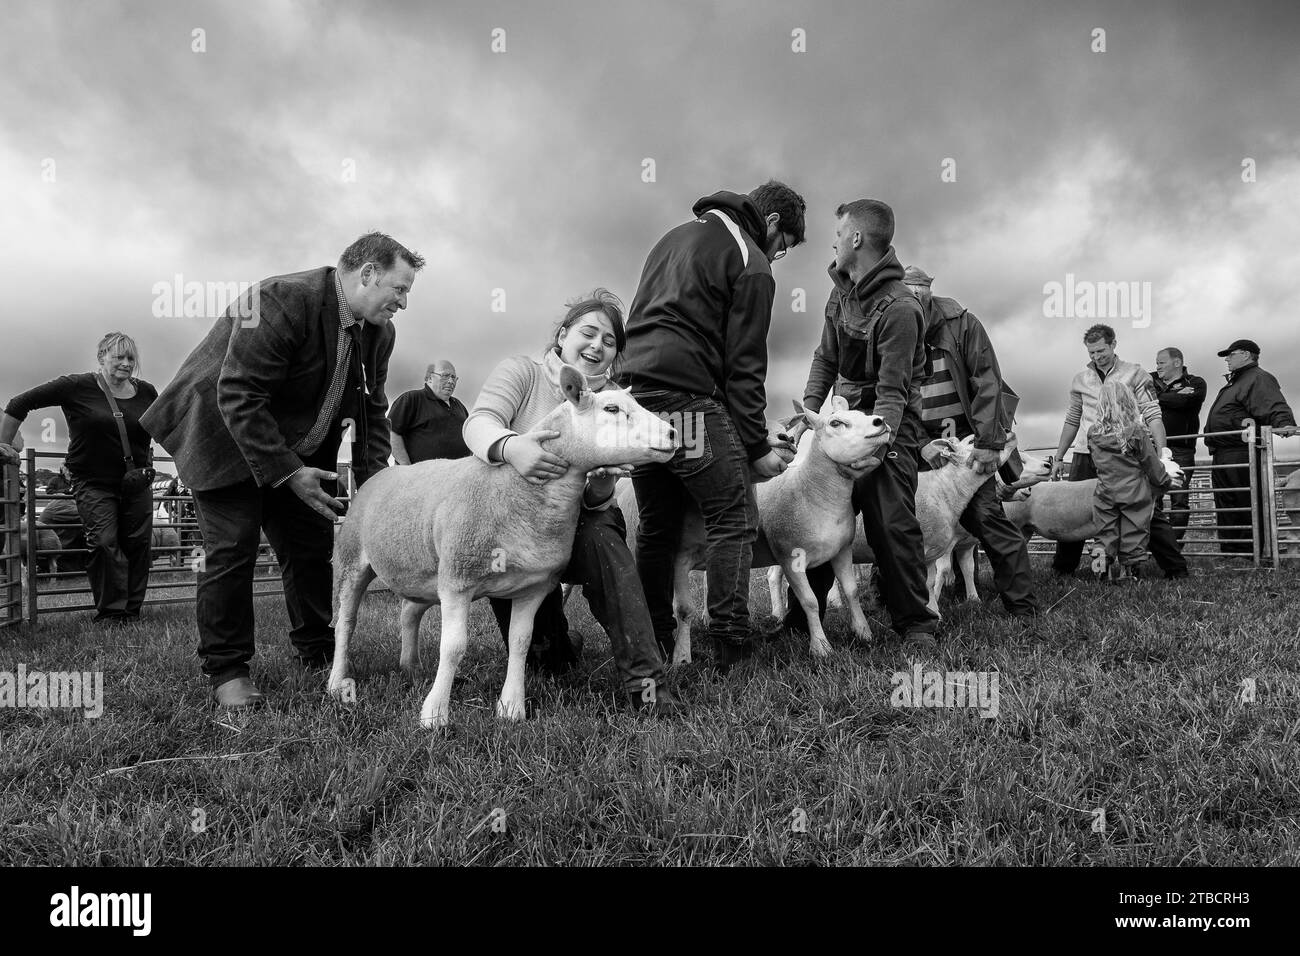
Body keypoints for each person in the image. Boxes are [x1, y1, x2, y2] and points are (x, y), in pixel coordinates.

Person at [141, 232, 422, 708]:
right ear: (367, 274)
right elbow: (239, 394)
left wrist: (377, 482)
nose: (404, 303)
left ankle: (315, 649)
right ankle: (227, 668)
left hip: (300, 450)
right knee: (232, 548)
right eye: (400, 289)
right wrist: (288, 472)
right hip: (225, 436)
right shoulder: (281, 299)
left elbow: (373, 407)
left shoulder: (380, 333)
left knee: (310, 548)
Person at [462, 290, 684, 714]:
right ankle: (560, 644)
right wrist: (512, 448)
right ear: (563, 336)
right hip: (514, 527)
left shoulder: (617, 402)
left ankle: (647, 682)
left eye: (610, 341)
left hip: (581, 522)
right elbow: (479, 423)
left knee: (605, 543)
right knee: (552, 662)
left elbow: (601, 496)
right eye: (589, 332)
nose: (597, 346)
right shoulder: (522, 372)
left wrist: (600, 489)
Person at [618, 181, 806, 672]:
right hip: (687, 400)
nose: (778, 255)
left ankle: (651, 639)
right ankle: (731, 644)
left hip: (638, 400)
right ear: (770, 224)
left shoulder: (672, 237)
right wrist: (753, 443)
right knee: (735, 515)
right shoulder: (752, 262)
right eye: (783, 246)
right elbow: (744, 363)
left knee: (657, 526)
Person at [786, 200, 940, 652]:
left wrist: (878, 444)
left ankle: (916, 623)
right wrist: (807, 421)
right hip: (843, 417)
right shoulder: (841, 293)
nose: (832, 240)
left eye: (838, 232)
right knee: (816, 512)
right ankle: (801, 618)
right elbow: (825, 358)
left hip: (887, 424)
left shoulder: (901, 307)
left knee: (890, 517)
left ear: (856, 238)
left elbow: (893, 390)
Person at [897, 265, 1038, 619]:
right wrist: (920, 445)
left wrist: (989, 442)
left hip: (964, 448)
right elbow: (891, 393)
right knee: (898, 520)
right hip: (917, 443)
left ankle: (1023, 608)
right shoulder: (894, 323)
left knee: (987, 519)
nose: (912, 305)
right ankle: (894, 601)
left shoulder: (962, 325)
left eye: (919, 298)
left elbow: (987, 380)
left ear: (928, 296)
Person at [1, 333, 158, 623]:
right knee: (102, 541)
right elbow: (19, 403)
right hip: (93, 482)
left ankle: (131, 611)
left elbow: (165, 426)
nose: (125, 363)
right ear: (101, 358)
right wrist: (4, 446)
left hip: (136, 481)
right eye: (118, 357)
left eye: (131, 358)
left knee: (138, 545)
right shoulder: (76, 386)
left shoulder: (147, 392)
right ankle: (112, 612)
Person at [1050, 324, 1187, 578]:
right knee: (1076, 510)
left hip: (1127, 449)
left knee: (1145, 508)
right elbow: (1072, 419)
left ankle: (1174, 566)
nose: (1096, 357)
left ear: (1113, 345)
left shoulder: (1136, 374)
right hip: (1087, 451)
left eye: (1100, 350)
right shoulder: (1080, 379)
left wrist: (1162, 450)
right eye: (1091, 352)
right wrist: (1059, 457)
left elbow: (1152, 413)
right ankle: (1064, 567)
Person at [1203, 339, 1298, 555]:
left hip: (1243, 452)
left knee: (1246, 502)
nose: (1227, 359)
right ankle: (1233, 552)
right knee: (1228, 505)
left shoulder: (1257, 378)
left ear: (1246, 354)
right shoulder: (1237, 381)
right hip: (1225, 452)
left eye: (1231, 354)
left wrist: (1284, 421)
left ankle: (1251, 552)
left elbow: (1273, 403)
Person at [1087, 381, 1174, 582]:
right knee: (1134, 532)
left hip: (1105, 492)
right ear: (1128, 402)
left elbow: (1095, 462)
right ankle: (1130, 574)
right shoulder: (1135, 432)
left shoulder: (1093, 433)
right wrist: (1164, 482)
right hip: (1134, 493)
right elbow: (1151, 463)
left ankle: (1100, 571)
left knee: (1104, 533)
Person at [1150, 347, 1206, 543]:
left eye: (1161, 362)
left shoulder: (1196, 382)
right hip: (1152, 447)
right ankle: (1154, 544)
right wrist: (1172, 398)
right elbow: (1138, 401)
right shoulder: (1149, 380)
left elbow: (1186, 403)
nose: (1157, 366)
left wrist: (1155, 399)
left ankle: (1173, 545)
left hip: (1182, 448)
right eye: (1156, 362)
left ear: (1177, 362)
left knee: (1179, 499)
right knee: (1151, 497)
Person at [389, 360, 470, 464]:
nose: (451, 381)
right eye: (445, 375)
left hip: (457, 477)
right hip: (420, 477)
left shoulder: (460, 406)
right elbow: (392, 432)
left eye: (454, 377)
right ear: (430, 378)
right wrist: (406, 469)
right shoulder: (412, 399)